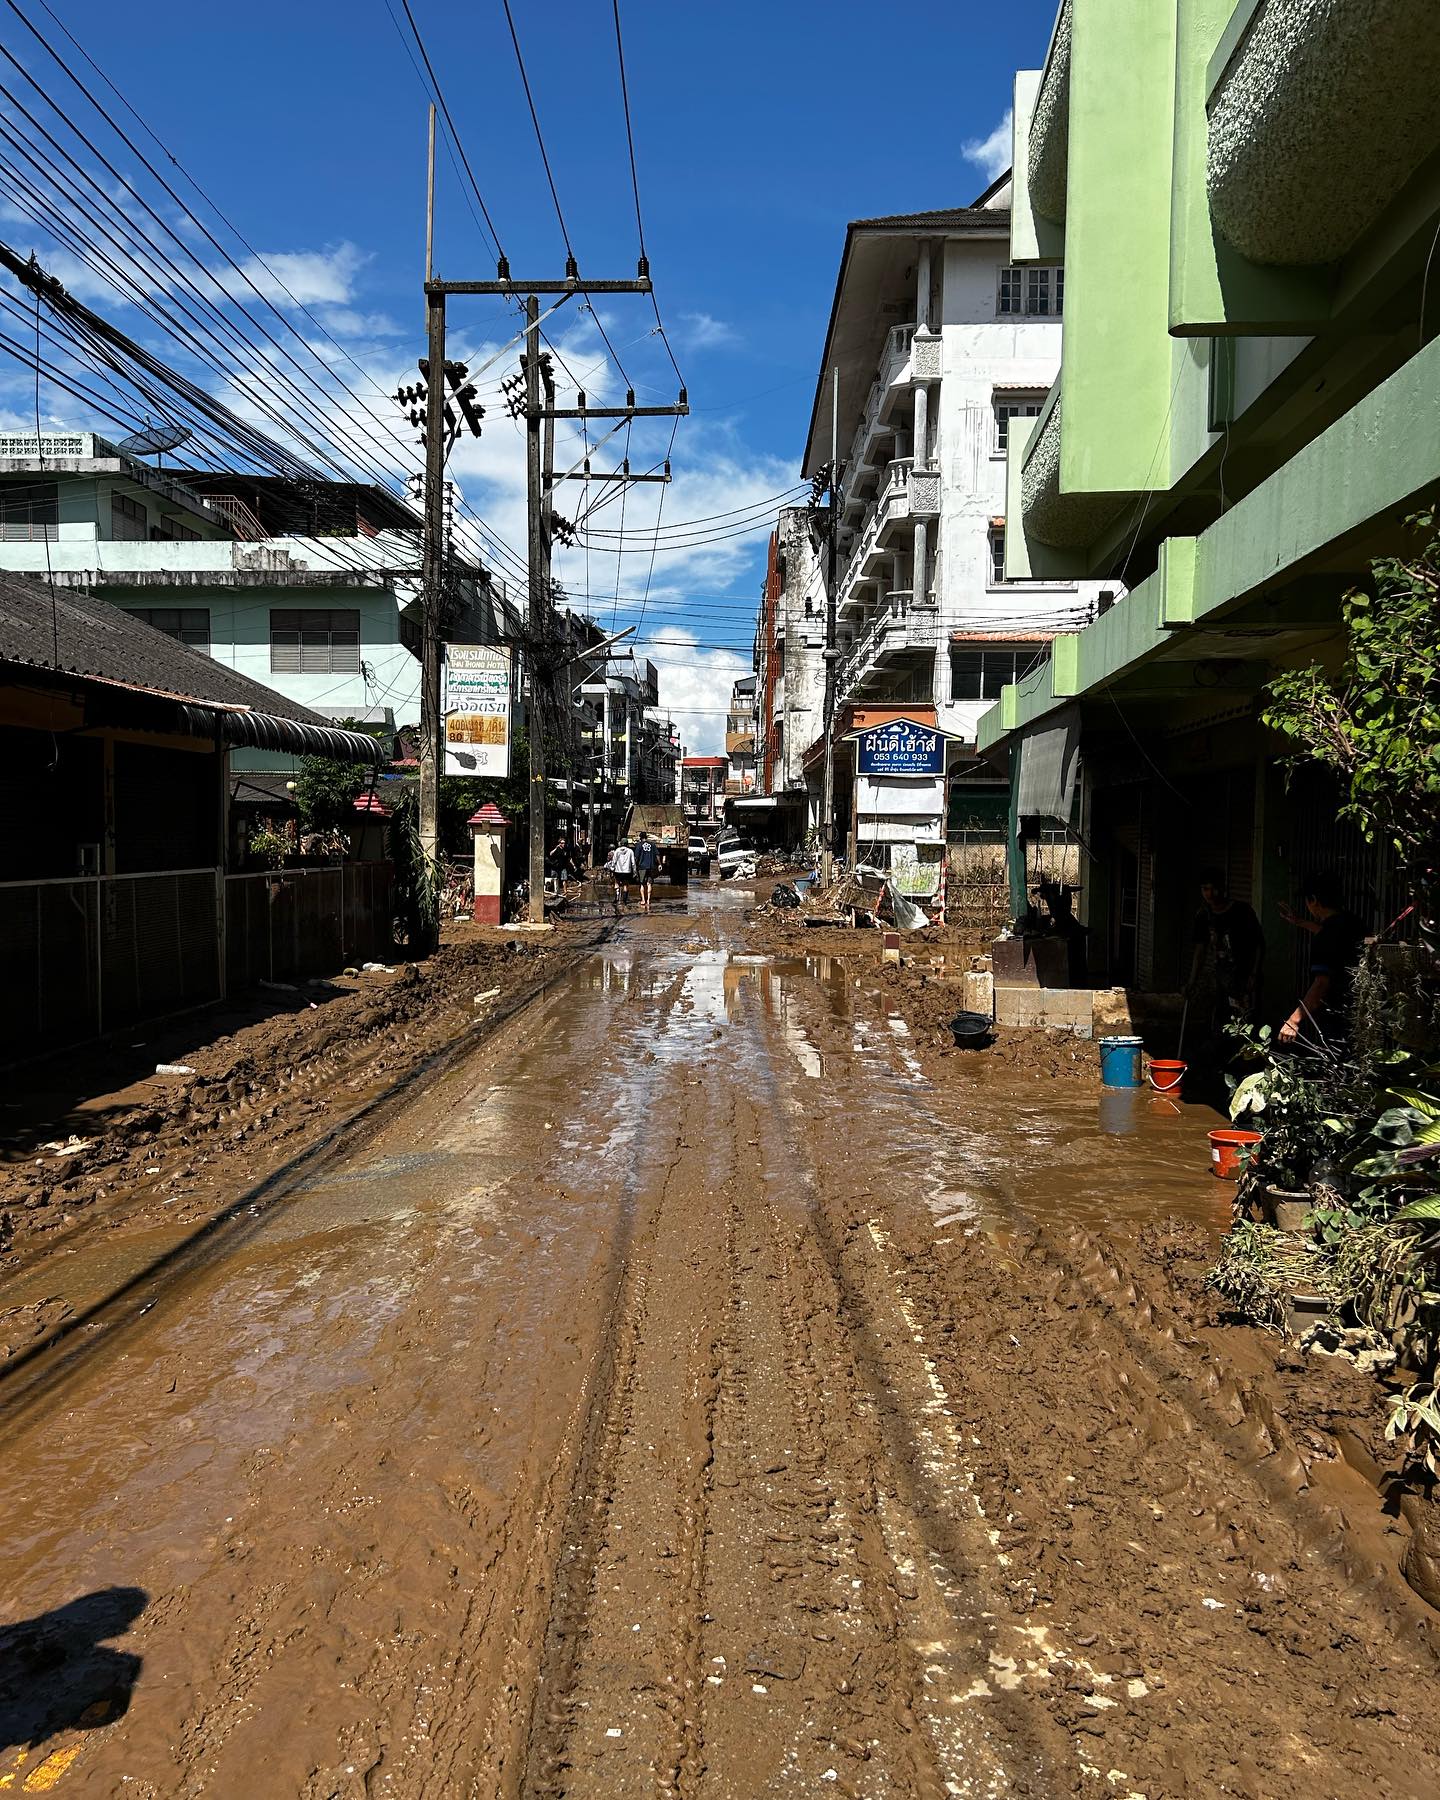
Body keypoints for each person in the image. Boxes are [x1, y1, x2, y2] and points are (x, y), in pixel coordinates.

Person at [1278, 871, 1366, 1043]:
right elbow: (1335, 938)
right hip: (1361, 1010)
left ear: (1313, 900)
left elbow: (1321, 983)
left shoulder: (1327, 937)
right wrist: (1300, 922)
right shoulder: (1353, 921)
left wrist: (1293, 1020)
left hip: (1338, 1014)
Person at [1186, 866, 1264, 1034]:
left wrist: (1253, 975)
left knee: (1246, 1027)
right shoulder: (1203, 915)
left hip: (1244, 978)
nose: (1210, 893)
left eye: (1213, 888)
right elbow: (1200, 951)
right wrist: (1192, 982)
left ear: (1222, 887)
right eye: (1205, 889)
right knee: (1221, 1026)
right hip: (1221, 979)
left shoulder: (1242, 911)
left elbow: (1258, 945)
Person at [634, 830, 659, 914]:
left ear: (640, 838)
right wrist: (659, 864)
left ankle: (643, 900)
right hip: (651, 866)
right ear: (647, 837)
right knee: (649, 883)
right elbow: (657, 855)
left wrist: (634, 865)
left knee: (642, 883)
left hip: (642, 867)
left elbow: (636, 857)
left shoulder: (639, 845)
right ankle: (648, 900)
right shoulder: (652, 844)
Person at [609, 836, 637, 911]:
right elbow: (633, 862)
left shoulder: (617, 851)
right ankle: (624, 900)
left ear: (621, 843)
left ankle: (617, 898)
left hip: (618, 870)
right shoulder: (630, 851)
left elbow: (614, 861)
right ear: (627, 844)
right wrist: (634, 871)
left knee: (617, 883)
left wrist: (612, 869)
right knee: (625, 885)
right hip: (627, 871)